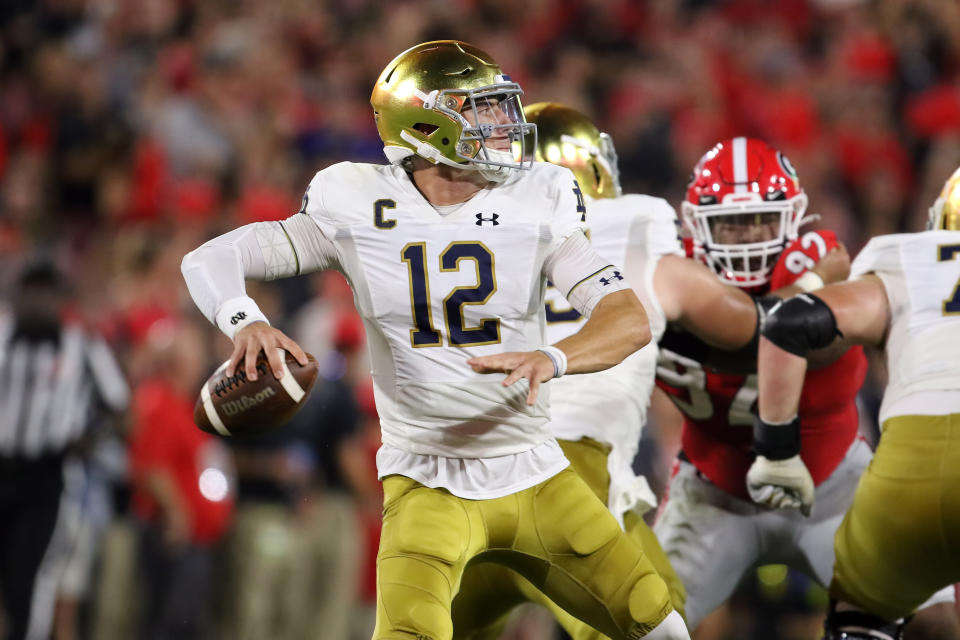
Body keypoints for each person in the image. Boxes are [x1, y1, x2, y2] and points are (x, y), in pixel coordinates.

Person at [181, 41, 688, 640]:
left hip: (536, 472)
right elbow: (213, 256)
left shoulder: (538, 196)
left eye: (502, 109)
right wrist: (246, 322)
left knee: (662, 626)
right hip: (425, 479)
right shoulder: (355, 201)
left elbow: (625, 315)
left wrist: (553, 357)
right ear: (427, 125)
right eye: (482, 110)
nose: (503, 125)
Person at [452, 104, 798, 639]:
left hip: (463, 480)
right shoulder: (635, 234)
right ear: (593, 168)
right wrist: (813, 285)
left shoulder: (465, 244)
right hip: (565, 474)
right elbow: (753, 327)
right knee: (655, 621)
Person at [652, 137, 873, 630]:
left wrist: (801, 296)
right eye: (730, 223)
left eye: (760, 220)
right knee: (641, 624)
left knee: (932, 621)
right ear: (696, 225)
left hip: (834, 482)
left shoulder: (818, 258)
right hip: (712, 489)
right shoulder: (669, 268)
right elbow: (768, 330)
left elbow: (782, 324)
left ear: (791, 219)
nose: (747, 237)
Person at [752, 166, 960, 640]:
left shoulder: (912, 258)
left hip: (915, 467)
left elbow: (791, 325)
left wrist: (777, 453)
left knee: (866, 611)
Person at [0, 259, 129, 640]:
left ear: (60, 299)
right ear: (18, 295)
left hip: (47, 478)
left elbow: (118, 404)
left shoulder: (82, 345)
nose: (38, 302)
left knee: (32, 579)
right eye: (32, 292)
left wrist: (88, 439)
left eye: (47, 293)